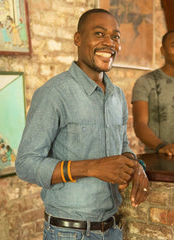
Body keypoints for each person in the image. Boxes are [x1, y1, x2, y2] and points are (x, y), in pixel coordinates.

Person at [15, 8, 149, 240]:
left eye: (115, 37)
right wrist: (91, 167)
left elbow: (123, 148)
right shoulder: (54, 94)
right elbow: (26, 165)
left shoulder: (116, 95)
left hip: (114, 229)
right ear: (78, 39)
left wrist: (135, 165)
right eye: (99, 34)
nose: (109, 43)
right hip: (69, 232)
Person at [132, 30, 174, 156]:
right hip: (159, 158)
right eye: (173, 45)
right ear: (163, 51)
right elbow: (140, 124)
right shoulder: (146, 82)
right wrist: (162, 147)